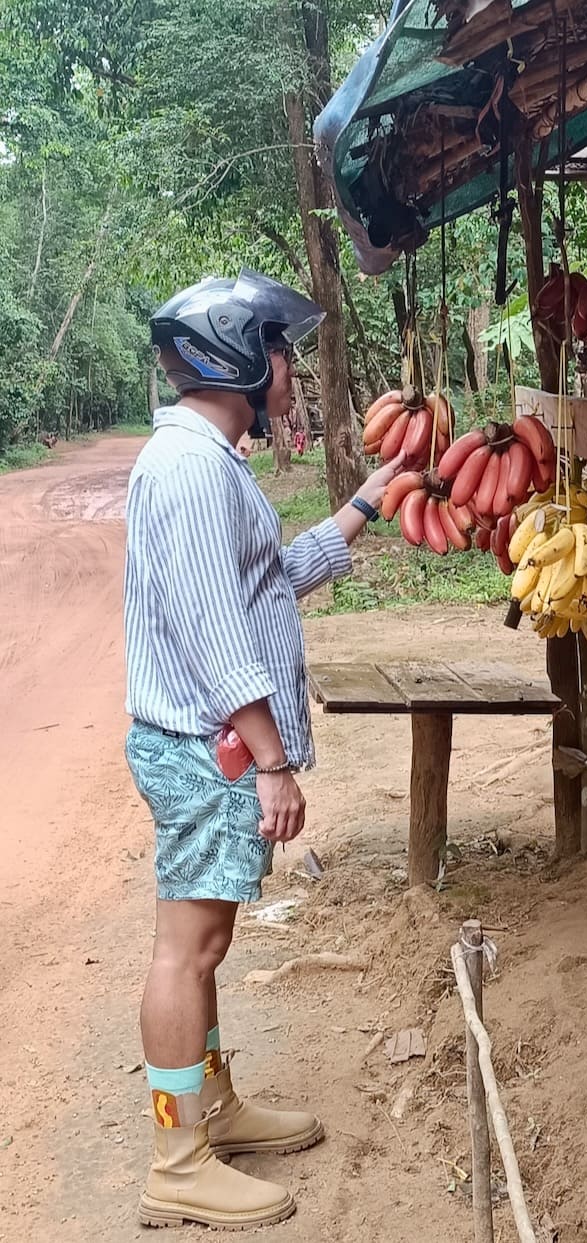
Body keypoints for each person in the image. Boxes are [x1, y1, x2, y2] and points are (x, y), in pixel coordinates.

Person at [124, 269, 402, 1229]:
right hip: (207, 749)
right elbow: (217, 631)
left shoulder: (209, 460)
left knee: (206, 945)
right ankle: (177, 1151)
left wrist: (364, 503)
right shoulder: (194, 470)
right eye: (280, 352)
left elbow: (263, 579)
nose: (290, 370)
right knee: (186, 950)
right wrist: (273, 761)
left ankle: (215, 1106)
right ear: (238, 359)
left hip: (208, 745)